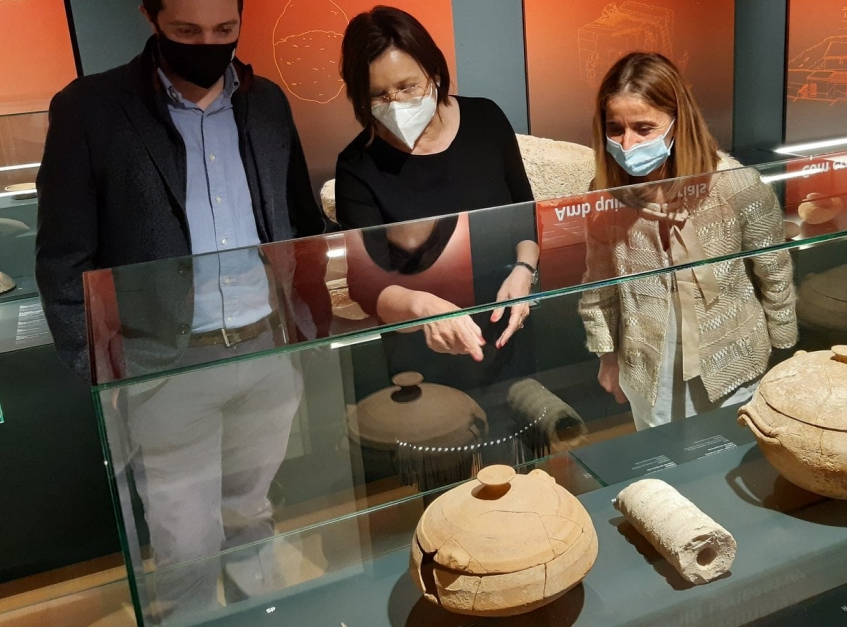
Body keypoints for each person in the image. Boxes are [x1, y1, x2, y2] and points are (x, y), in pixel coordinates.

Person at [34, 0, 328, 621]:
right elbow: (64, 255)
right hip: (163, 364)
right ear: (151, 17)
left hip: (266, 347)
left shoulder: (266, 103)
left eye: (225, 29)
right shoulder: (90, 109)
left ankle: (258, 614)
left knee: (251, 511)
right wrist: (99, 370)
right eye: (186, 31)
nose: (208, 44)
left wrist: (307, 327)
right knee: (184, 540)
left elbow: (299, 221)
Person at [579, 52, 797, 431]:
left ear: (678, 121)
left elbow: (774, 268)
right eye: (615, 129)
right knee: (662, 454)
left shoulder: (733, 183)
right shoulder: (607, 194)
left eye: (644, 128)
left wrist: (785, 347)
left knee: (728, 446)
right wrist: (607, 357)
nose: (627, 143)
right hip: (648, 363)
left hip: (732, 356)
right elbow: (599, 283)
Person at [334, 5, 538, 365]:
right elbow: (365, 285)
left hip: (507, 324)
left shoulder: (486, 120)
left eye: (407, 87)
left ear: (435, 73)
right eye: (378, 95)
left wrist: (524, 271)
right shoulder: (357, 166)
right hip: (420, 350)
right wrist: (422, 307)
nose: (395, 103)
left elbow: (524, 214)